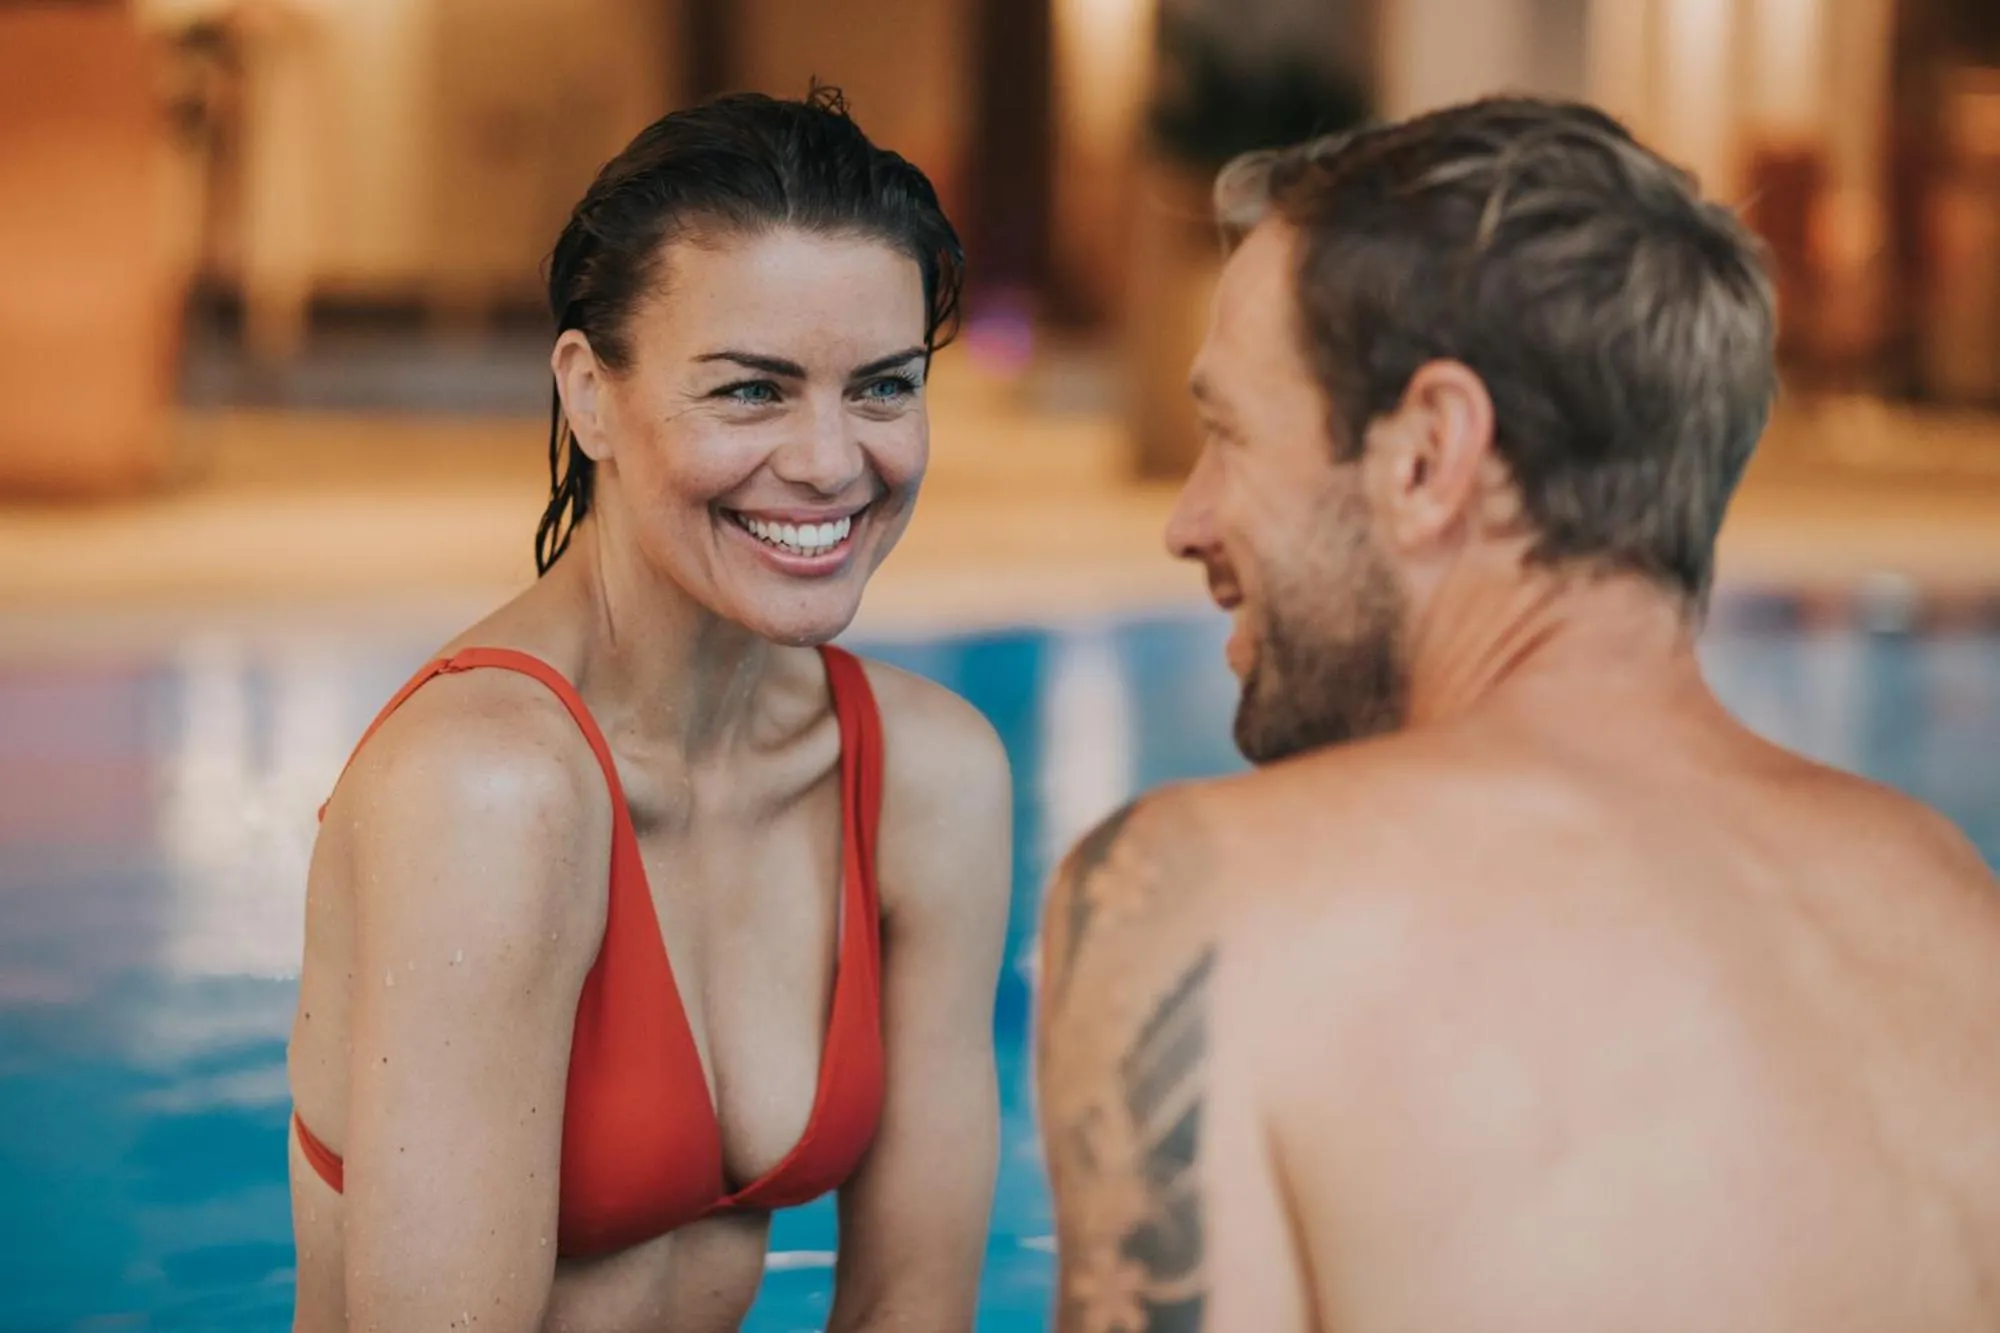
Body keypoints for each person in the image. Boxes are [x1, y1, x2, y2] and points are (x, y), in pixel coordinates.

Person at [1036, 96, 2000, 1332]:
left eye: (1226, 432)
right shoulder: (1946, 906)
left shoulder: (1198, 899)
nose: (1188, 517)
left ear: (1427, 455)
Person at [286, 88, 1013, 1333]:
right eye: (750, 392)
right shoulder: (486, 792)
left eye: (883, 387)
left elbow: (912, 1302)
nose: (833, 462)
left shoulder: (929, 777)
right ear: (588, 392)